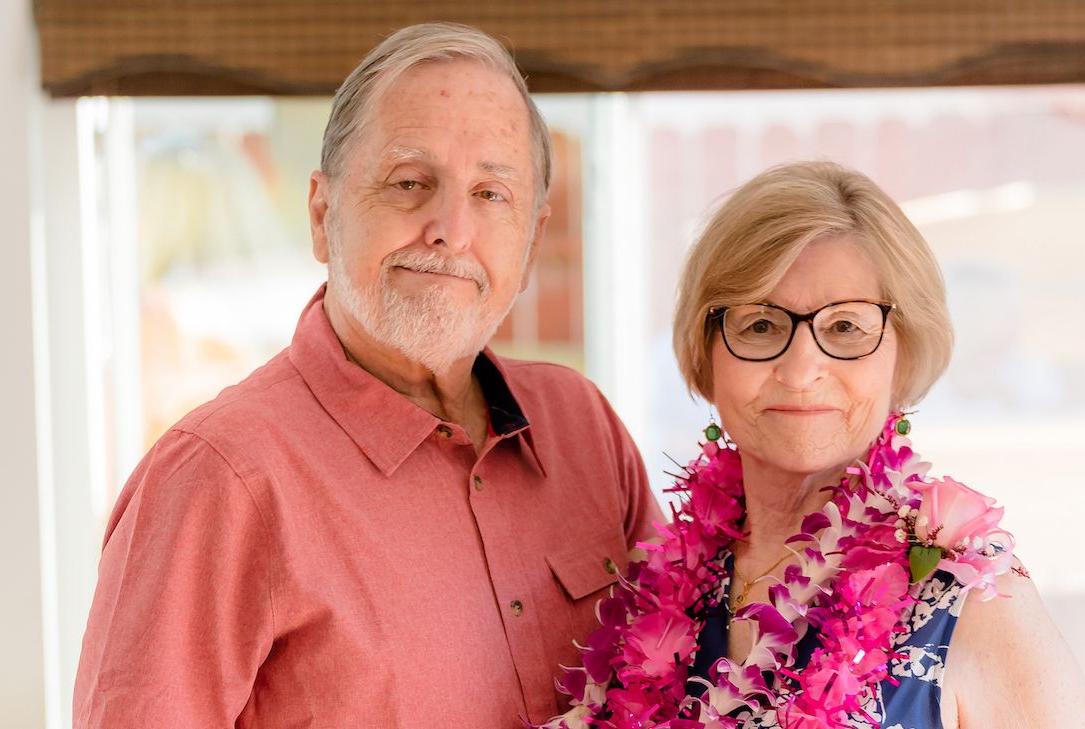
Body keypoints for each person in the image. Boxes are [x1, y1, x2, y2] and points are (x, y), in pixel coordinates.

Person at [73, 22, 662, 728]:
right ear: (323, 214)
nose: (450, 228)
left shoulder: (583, 427)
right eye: (409, 182)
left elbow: (673, 682)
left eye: (491, 194)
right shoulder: (216, 480)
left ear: (532, 240)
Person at [541, 162, 1085, 728]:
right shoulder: (661, 588)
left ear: (903, 354)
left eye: (846, 328)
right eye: (760, 325)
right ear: (706, 355)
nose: (801, 370)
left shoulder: (973, 594)